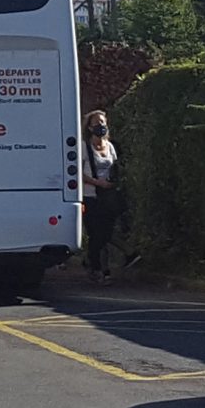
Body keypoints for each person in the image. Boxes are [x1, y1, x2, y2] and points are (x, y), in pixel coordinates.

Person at [81, 109, 125, 284]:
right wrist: (97, 183)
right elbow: (77, 173)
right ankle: (98, 269)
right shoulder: (84, 147)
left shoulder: (110, 147)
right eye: (97, 123)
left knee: (105, 233)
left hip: (108, 196)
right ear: (90, 127)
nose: (101, 126)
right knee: (96, 234)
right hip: (90, 196)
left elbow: (115, 167)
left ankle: (91, 262)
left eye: (103, 123)